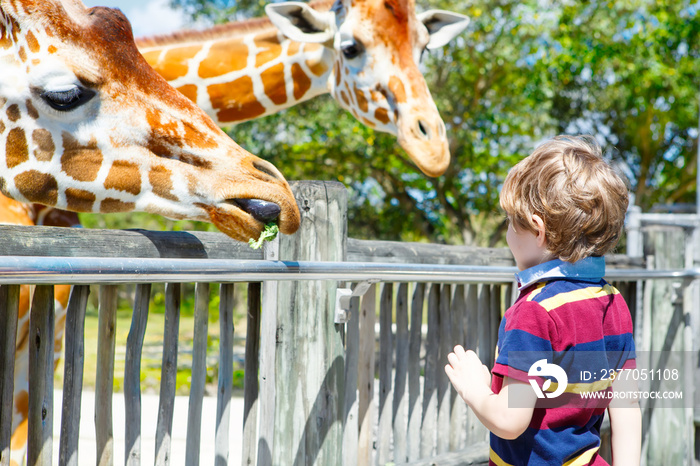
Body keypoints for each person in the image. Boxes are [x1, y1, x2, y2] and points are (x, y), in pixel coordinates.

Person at [445, 135, 641, 465]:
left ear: (537, 231)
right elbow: (627, 407)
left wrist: (474, 388)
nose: (508, 234)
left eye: (510, 222)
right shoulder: (613, 301)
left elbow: (509, 420)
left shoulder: (534, 312)